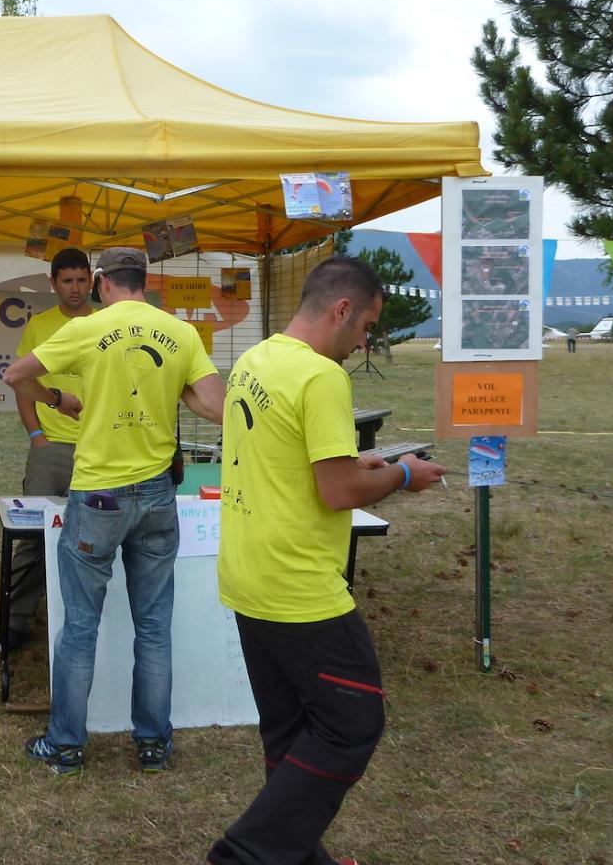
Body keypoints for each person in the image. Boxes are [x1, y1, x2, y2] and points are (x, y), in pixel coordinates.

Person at [206, 256, 446, 865]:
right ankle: (244, 855)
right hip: (298, 588)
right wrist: (401, 473)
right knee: (351, 724)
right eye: (366, 325)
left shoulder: (257, 359)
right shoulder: (321, 377)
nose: (364, 340)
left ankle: (297, 856)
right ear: (341, 310)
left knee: (289, 731)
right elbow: (338, 493)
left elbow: (286, 458)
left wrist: (360, 463)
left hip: (246, 574)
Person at [3, 247, 225, 775]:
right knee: (154, 626)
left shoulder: (87, 329)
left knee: (81, 626)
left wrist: (58, 400)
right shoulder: (181, 333)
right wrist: (179, 395)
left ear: (102, 282)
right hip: (156, 495)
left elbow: (15, 374)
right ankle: (153, 743)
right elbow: (215, 407)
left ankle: (67, 746)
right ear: (145, 283)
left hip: (98, 494)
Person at [4, 246, 93, 652]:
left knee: (93, 538)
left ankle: (85, 619)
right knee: (34, 536)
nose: (75, 288)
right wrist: (36, 436)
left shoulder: (108, 322)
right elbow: (22, 382)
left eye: (82, 279)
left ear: (93, 281)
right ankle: (17, 619)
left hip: (99, 450)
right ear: (53, 284)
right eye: (67, 281)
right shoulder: (40, 325)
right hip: (51, 448)